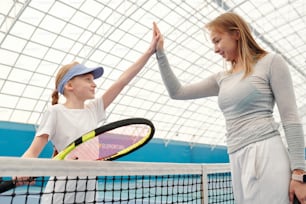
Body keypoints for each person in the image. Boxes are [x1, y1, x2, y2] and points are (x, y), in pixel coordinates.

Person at [153, 13, 306, 204]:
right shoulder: (221, 78)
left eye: (217, 41)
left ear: (236, 34)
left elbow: (290, 117)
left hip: (265, 152)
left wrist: (299, 173)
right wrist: (160, 53)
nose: (215, 49)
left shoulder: (271, 62)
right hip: (236, 156)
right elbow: (177, 92)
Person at [16, 22, 160, 203]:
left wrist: (149, 51)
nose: (94, 84)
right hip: (58, 197)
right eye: (87, 79)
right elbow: (33, 151)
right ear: (70, 86)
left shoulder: (93, 110)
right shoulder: (55, 112)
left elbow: (122, 81)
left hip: (88, 196)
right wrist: (19, 168)